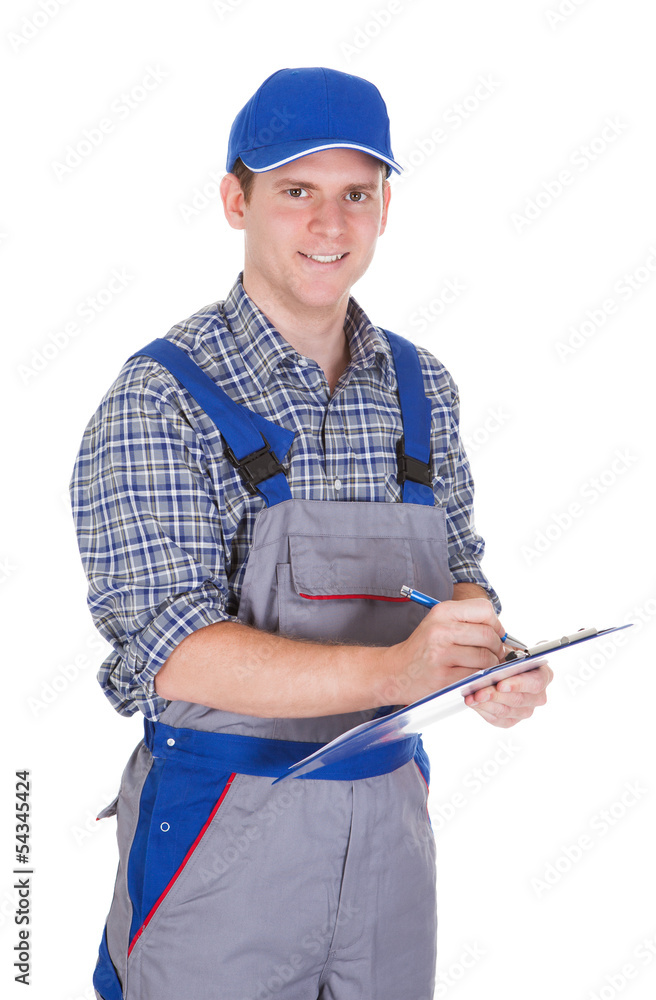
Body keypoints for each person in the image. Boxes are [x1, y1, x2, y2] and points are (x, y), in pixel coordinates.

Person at [71, 66, 552, 1000]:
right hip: (221, 841)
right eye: (295, 193)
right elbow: (169, 649)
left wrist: (486, 654)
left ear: (384, 207)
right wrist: (397, 674)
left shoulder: (423, 387)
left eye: (355, 196)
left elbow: (456, 572)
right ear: (234, 199)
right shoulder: (159, 397)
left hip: (390, 838)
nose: (330, 227)